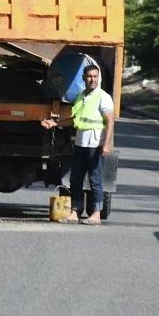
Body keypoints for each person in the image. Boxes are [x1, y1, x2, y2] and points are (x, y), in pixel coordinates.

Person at [41, 64, 114, 225]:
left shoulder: (103, 97)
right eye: (89, 77)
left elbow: (110, 122)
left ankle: (96, 214)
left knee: (95, 180)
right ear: (83, 78)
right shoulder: (81, 97)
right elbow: (75, 120)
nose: (92, 80)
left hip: (95, 145)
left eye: (95, 77)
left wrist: (106, 145)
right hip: (80, 144)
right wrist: (55, 123)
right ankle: (75, 212)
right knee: (76, 179)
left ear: (98, 78)